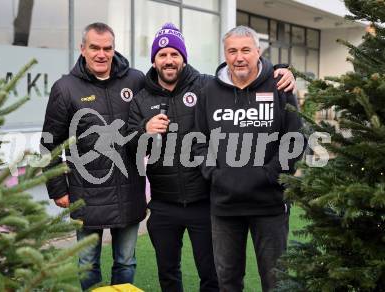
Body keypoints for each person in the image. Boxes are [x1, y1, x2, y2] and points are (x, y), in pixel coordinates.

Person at [127, 23, 296, 292]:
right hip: (187, 202)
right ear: (154, 60)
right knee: (194, 277)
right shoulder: (149, 98)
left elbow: (293, 137)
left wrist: (283, 69)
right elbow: (139, 147)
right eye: (162, 55)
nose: (169, 60)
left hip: (233, 200)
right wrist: (144, 131)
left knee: (247, 278)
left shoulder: (212, 85)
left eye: (174, 54)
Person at [193, 25, 304, 292]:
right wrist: (215, 175)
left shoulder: (280, 86)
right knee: (228, 282)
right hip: (225, 206)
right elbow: (197, 142)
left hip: (270, 205)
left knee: (276, 281)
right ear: (225, 53)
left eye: (245, 50)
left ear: (258, 52)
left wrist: (268, 175)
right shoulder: (209, 91)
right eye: (232, 51)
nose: (239, 57)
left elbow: (294, 140)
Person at [41, 22, 147, 291]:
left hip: (129, 190)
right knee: (88, 262)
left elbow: (171, 85)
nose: (101, 54)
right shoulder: (65, 88)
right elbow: (49, 143)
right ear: (82, 49)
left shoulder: (135, 80)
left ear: (114, 49)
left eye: (107, 48)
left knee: (126, 262)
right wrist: (57, 188)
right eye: (95, 48)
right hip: (85, 193)